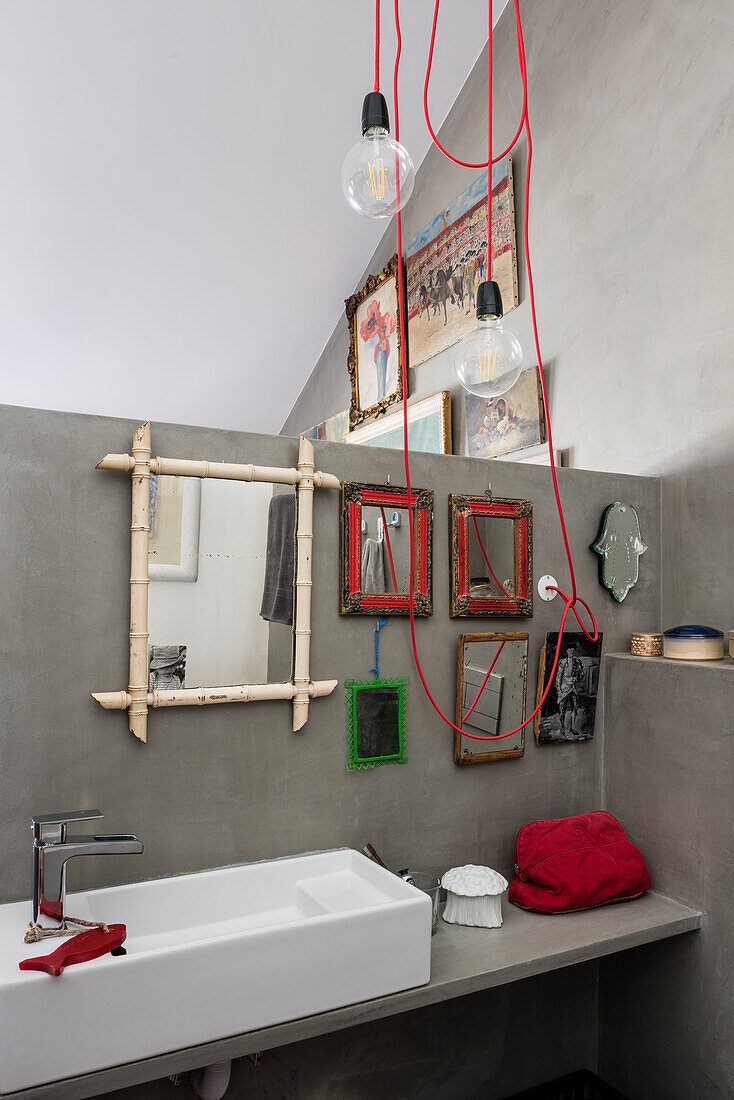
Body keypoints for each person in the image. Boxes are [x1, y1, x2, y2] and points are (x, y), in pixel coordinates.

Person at [555, 643, 583, 736]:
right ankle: (562, 727)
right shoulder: (563, 662)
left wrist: (576, 678)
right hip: (564, 690)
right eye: (570, 650)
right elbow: (559, 676)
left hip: (573, 689)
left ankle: (573, 728)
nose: (571, 652)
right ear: (567, 651)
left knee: (574, 708)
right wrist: (559, 690)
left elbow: (581, 674)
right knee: (562, 710)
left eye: (573, 650)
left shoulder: (577, 662)